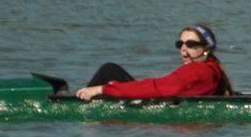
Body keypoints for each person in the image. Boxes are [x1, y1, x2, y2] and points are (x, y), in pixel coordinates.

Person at [76, 24, 232, 100]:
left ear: (206, 48)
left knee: (108, 70)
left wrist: (102, 89)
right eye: (180, 44)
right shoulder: (211, 68)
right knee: (110, 70)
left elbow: (157, 88)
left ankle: (81, 100)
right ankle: (85, 95)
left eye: (190, 45)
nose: (183, 50)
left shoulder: (197, 71)